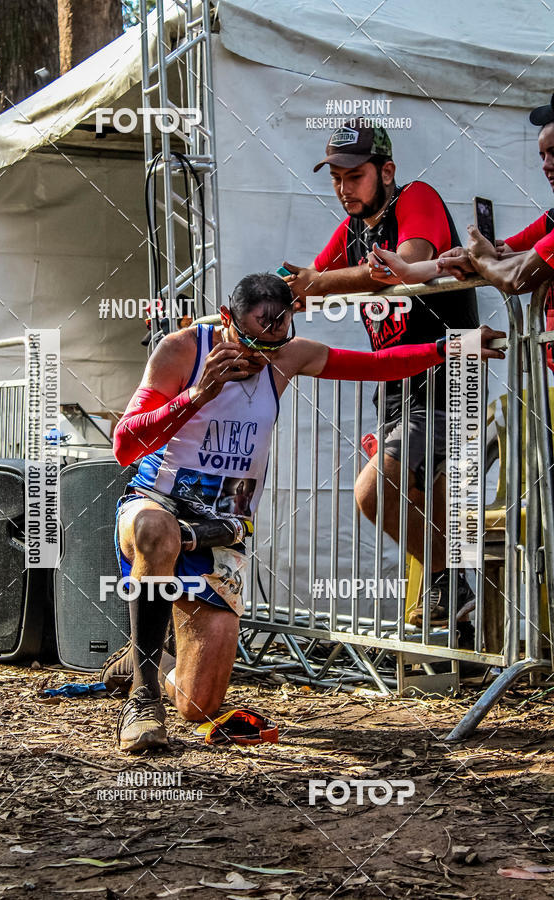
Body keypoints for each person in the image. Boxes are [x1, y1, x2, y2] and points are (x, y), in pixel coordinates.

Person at [105, 272, 504, 752]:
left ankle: (143, 660)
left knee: (200, 705)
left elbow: (377, 365)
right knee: (156, 530)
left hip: (219, 528)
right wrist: (198, 395)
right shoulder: (182, 350)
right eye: (251, 340)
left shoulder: (288, 355)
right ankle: (143, 699)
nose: (260, 355)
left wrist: (451, 347)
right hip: (157, 503)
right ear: (228, 320)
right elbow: (125, 446)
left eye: (275, 340)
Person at [282, 119, 480, 628]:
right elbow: (302, 286)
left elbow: (404, 264)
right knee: (425, 506)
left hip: (444, 381)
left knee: (374, 493)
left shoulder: (416, 197)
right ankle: (463, 625)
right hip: (396, 389)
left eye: (355, 175)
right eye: (336, 178)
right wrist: (248, 307)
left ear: (385, 171)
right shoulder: (352, 231)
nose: (344, 188)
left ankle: (449, 583)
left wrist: (318, 282)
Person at [434, 94, 554, 354]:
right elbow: (507, 252)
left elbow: (516, 277)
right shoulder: (551, 221)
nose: (546, 166)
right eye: (542, 155)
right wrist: (471, 257)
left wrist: (482, 262)